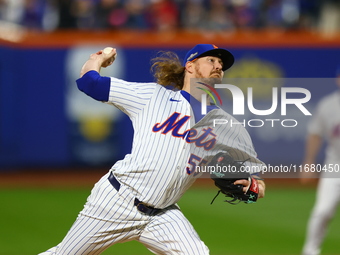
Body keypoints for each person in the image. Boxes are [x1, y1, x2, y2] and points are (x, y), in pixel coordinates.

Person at [39, 44, 266, 255]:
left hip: (163, 214)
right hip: (117, 201)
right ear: (190, 65)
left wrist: (253, 186)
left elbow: (256, 180)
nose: (218, 66)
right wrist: (96, 59)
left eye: (221, 65)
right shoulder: (153, 96)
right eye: (211, 60)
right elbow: (90, 83)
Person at [300, 66, 340, 255]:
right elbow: (315, 134)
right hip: (335, 166)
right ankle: (310, 251)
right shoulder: (328, 105)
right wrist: (309, 162)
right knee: (322, 211)